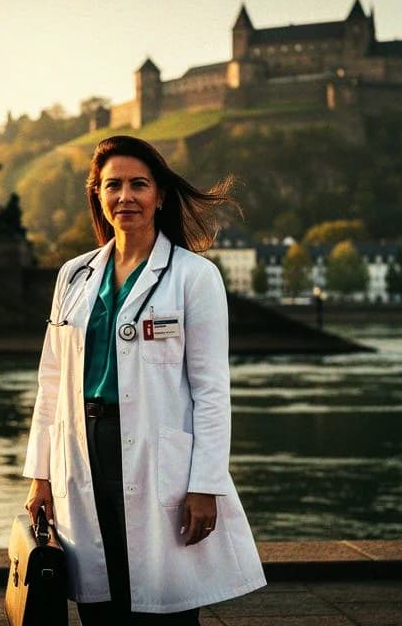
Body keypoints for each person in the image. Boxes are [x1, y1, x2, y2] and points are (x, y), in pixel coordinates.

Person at [22, 136, 266, 624]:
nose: (125, 197)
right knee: (99, 602)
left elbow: (212, 391)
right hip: (82, 451)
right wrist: (40, 475)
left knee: (165, 607)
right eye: (113, 185)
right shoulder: (73, 277)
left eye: (138, 184)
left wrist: (206, 484)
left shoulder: (194, 277)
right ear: (97, 194)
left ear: (159, 195)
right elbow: (51, 383)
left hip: (159, 459)